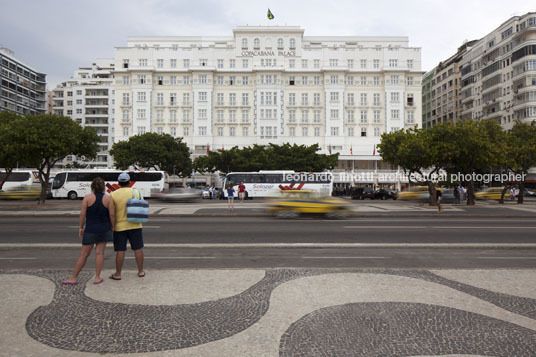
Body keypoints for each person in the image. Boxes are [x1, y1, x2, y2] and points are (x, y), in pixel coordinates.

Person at [63, 177, 115, 285]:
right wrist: (112, 227)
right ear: (103, 187)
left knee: (84, 255)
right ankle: (97, 277)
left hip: (90, 229)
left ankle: (74, 278)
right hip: (104, 229)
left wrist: (81, 227)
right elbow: (112, 214)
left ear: (92, 187)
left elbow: (83, 214)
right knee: (100, 253)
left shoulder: (87, 198)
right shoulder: (108, 198)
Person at [109, 172, 145, 280]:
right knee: (138, 248)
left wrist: (112, 226)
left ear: (118, 183)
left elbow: (111, 212)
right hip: (135, 224)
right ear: (129, 182)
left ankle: (118, 274)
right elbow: (142, 206)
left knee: (120, 250)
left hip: (119, 227)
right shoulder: (136, 192)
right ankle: (140, 271)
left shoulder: (113, 194)